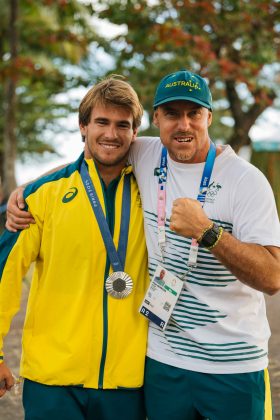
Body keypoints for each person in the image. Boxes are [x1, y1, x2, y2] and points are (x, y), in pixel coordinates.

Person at [5, 70, 280, 420]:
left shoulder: (245, 181)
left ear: (209, 117)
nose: (183, 125)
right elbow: (95, 154)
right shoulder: (147, 155)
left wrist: (208, 232)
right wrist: (28, 189)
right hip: (163, 364)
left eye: (194, 113)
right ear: (155, 121)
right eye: (171, 114)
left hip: (232, 366)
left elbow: (273, 278)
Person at [0, 76, 150, 420]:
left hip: (127, 383)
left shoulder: (155, 192)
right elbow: (5, 274)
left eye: (122, 125)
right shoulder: (42, 196)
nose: (111, 134)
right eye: (101, 122)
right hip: (52, 382)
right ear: (83, 126)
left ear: (135, 132)